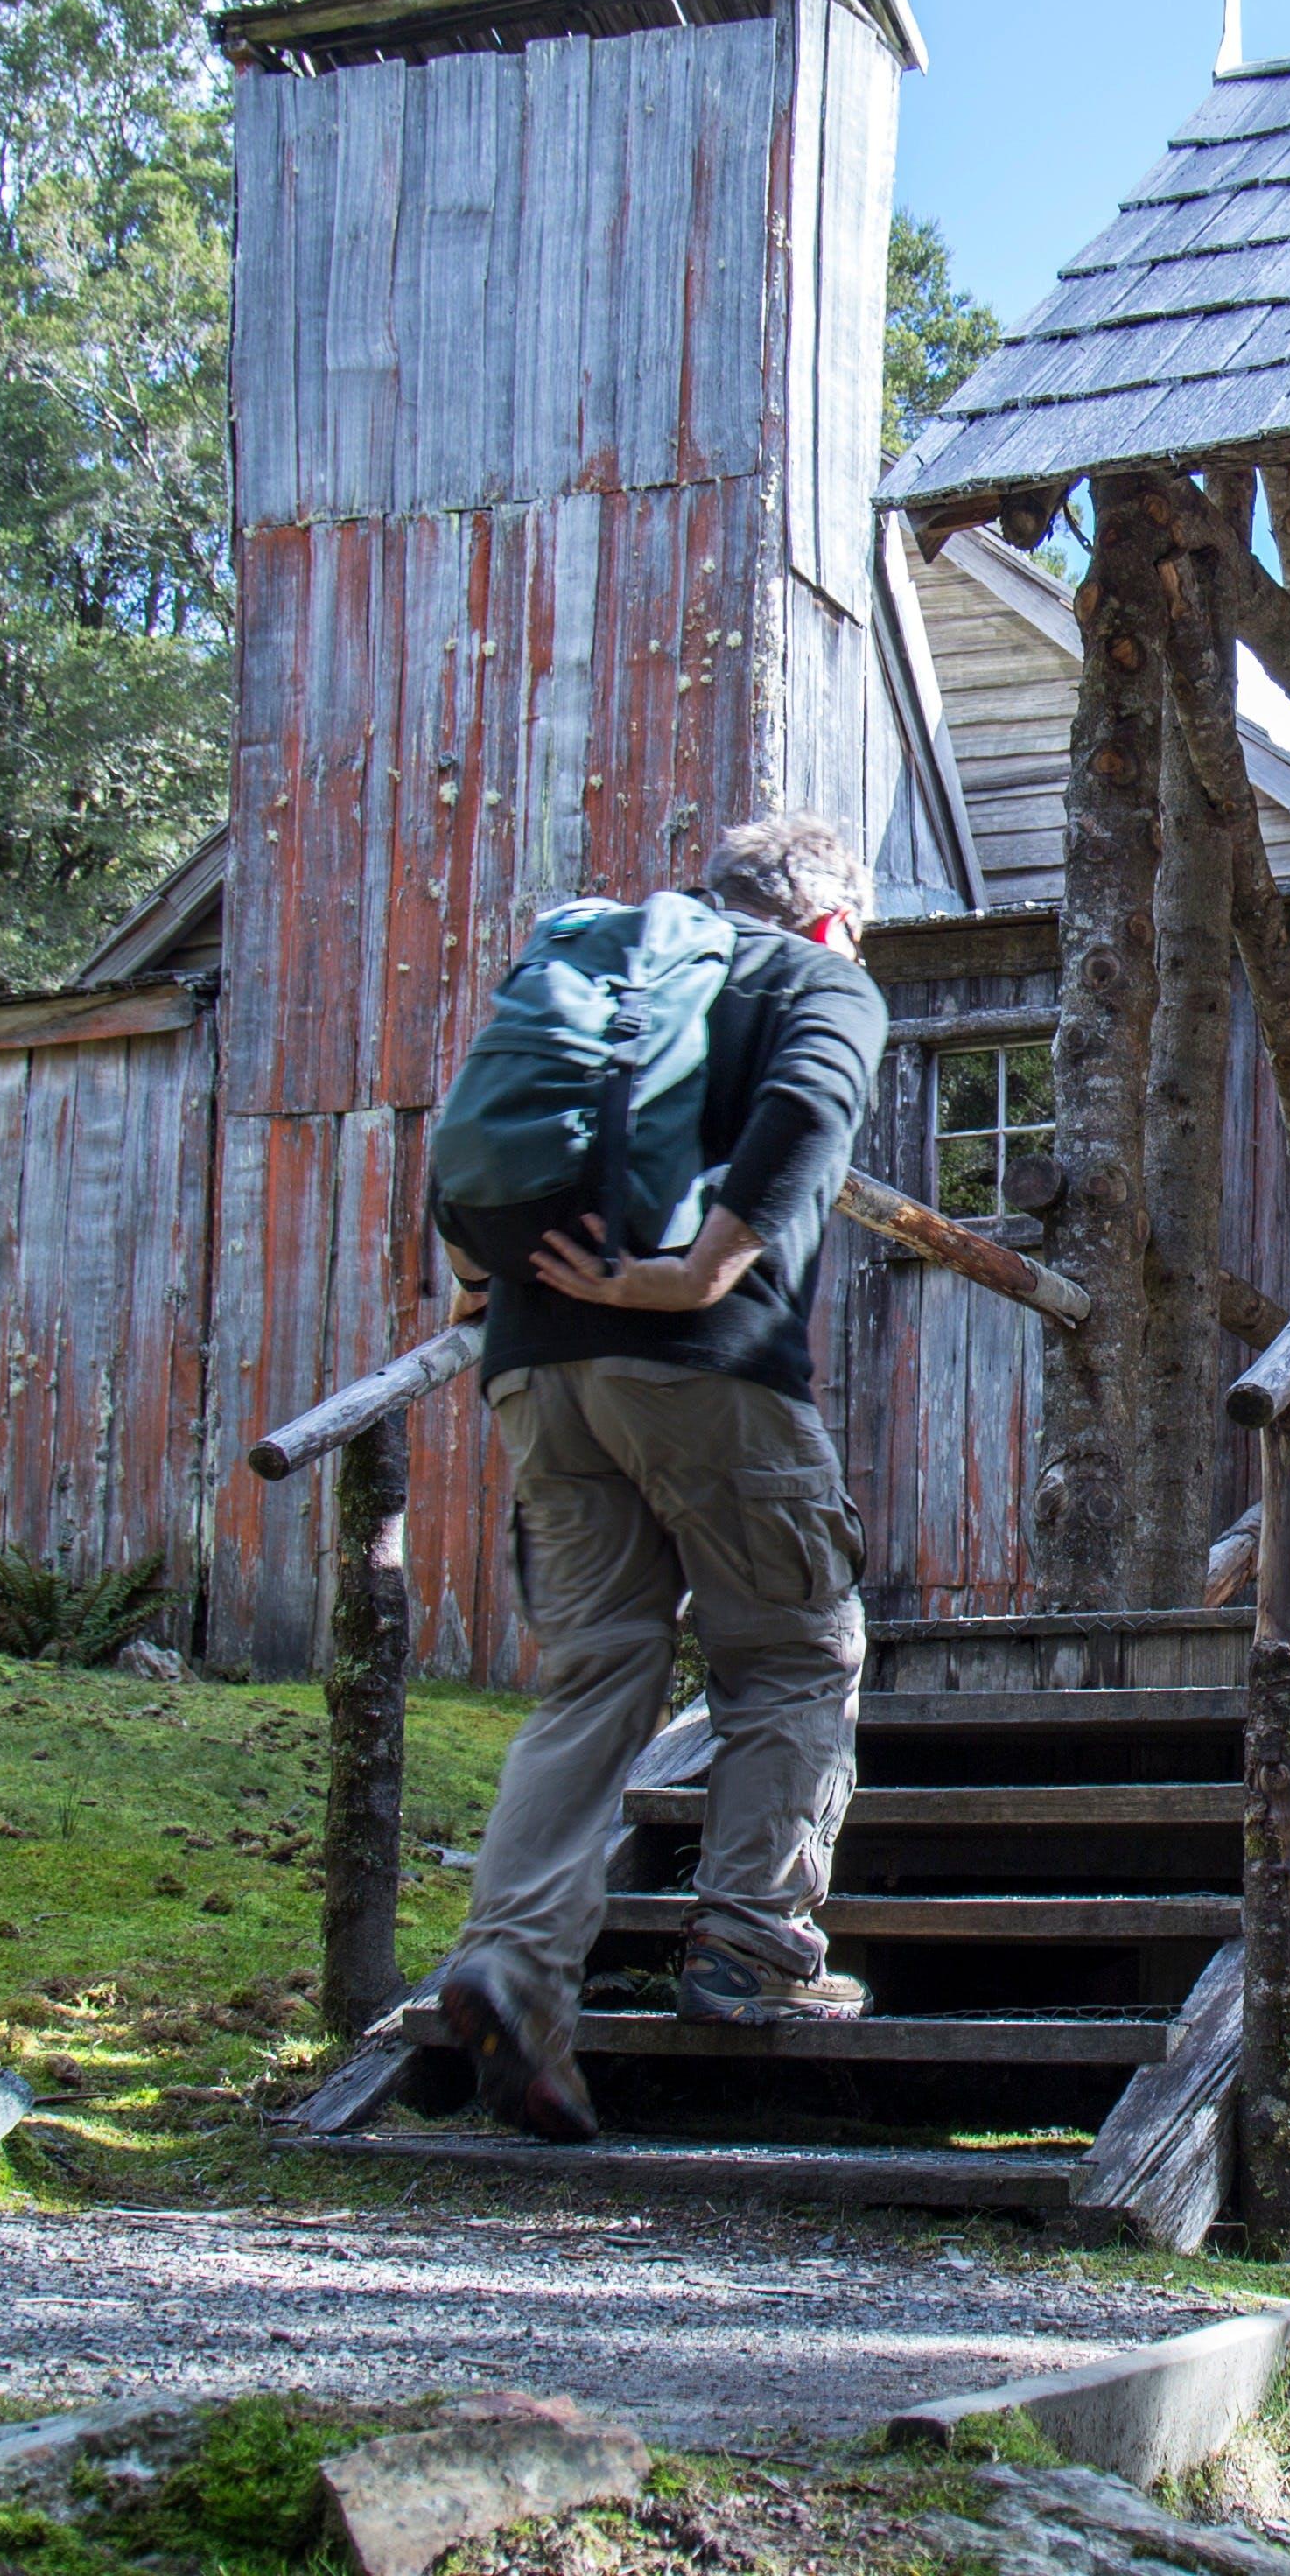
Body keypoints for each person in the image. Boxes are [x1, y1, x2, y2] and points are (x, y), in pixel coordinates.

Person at [424, 809, 890, 2145]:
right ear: (827, 915)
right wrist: (699, 1271)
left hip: (537, 1363)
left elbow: (463, 1143)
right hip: (706, 1365)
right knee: (795, 1650)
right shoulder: (815, 977)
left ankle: (511, 1967)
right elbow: (807, 1107)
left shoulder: (596, 973)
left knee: (594, 1674)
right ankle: (752, 1946)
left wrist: (481, 1289)